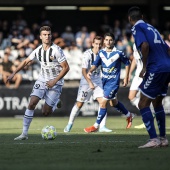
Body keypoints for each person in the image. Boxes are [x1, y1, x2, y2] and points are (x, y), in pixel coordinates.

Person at [7, 26, 69, 140]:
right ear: (40, 36)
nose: (47, 36)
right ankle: (24, 134)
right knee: (31, 104)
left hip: (56, 82)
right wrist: (14, 73)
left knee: (45, 112)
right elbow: (26, 61)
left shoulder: (56, 50)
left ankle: (55, 103)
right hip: (42, 79)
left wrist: (54, 81)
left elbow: (66, 68)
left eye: (49, 34)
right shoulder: (38, 50)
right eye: (45, 34)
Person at [128, 6, 170, 148]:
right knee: (157, 103)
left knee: (142, 104)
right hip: (166, 67)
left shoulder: (136, 28)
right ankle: (163, 139)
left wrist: (145, 66)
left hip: (156, 67)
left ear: (130, 19)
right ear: (143, 16)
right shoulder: (152, 28)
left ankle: (153, 139)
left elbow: (144, 45)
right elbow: (168, 48)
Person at [84, 32, 135, 133]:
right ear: (104, 41)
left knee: (103, 103)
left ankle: (96, 126)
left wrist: (126, 77)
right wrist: (90, 71)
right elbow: (95, 64)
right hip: (104, 82)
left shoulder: (118, 53)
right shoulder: (101, 53)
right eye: (106, 40)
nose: (108, 42)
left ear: (114, 41)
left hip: (113, 83)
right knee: (113, 103)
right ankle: (129, 115)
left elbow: (127, 63)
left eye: (110, 40)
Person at [64, 36, 112, 133]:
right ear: (92, 44)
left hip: (98, 79)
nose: (98, 46)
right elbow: (83, 71)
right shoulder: (87, 54)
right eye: (96, 44)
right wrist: (90, 83)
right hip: (86, 80)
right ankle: (69, 124)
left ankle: (102, 126)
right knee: (79, 104)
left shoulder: (103, 53)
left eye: (100, 44)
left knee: (103, 102)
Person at [128, 43, 145, 129]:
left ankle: (147, 118)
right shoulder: (135, 44)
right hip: (137, 75)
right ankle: (149, 113)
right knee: (131, 97)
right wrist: (130, 73)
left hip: (145, 75)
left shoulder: (146, 43)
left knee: (144, 98)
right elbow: (135, 59)